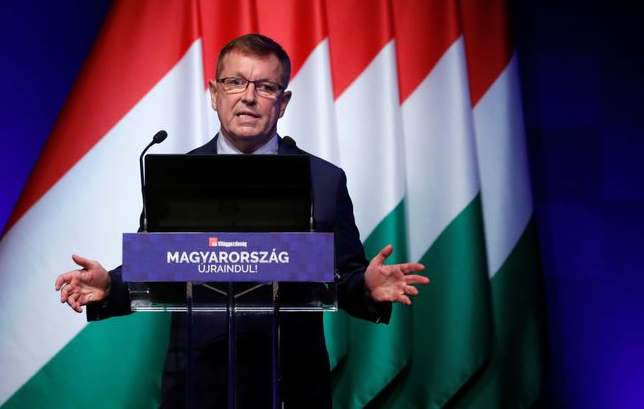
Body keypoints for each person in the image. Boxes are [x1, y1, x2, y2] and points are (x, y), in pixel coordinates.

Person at [55, 33, 429, 408]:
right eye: (235, 82)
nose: (248, 96)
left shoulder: (324, 178)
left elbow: (344, 275)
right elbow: (151, 268)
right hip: (197, 387)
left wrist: (366, 286)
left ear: (282, 103)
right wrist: (109, 287)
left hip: (292, 388)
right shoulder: (178, 177)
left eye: (265, 86)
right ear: (215, 94)